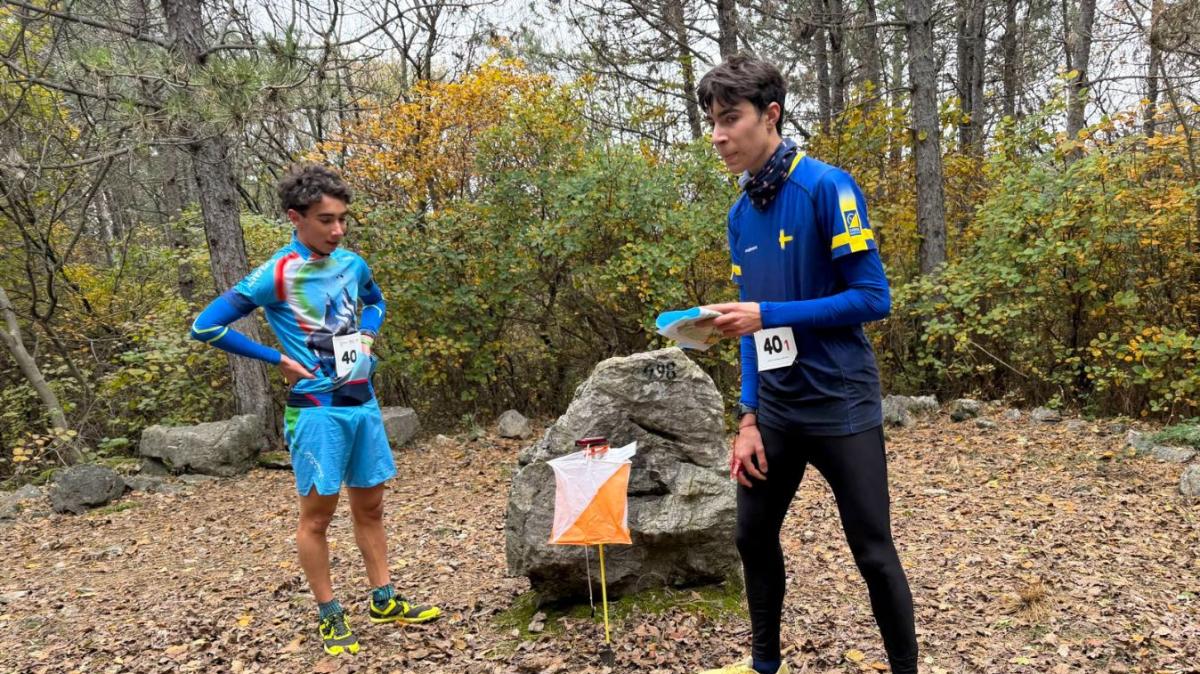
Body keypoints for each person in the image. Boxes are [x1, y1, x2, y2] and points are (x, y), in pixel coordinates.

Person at [695, 56, 918, 674]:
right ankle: (765, 664)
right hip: (778, 413)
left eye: (729, 119)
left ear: (771, 116)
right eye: (711, 121)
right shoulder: (741, 214)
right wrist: (747, 417)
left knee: (872, 551)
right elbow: (747, 322)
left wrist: (770, 313)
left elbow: (875, 298)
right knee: (750, 536)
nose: (717, 135)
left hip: (841, 405)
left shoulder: (827, 187)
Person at [190, 163, 440, 656]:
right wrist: (276, 359)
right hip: (316, 411)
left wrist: (368, 335)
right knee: (317, 518)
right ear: (295, 217)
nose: (338, 229)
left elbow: (375, 301)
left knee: (371, 507)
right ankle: (330, 614)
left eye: (343, 218)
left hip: (362, 402)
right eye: (326, 219)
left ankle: (383, 599)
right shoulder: (277, 272)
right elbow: (206, 326)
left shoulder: (352, 263)